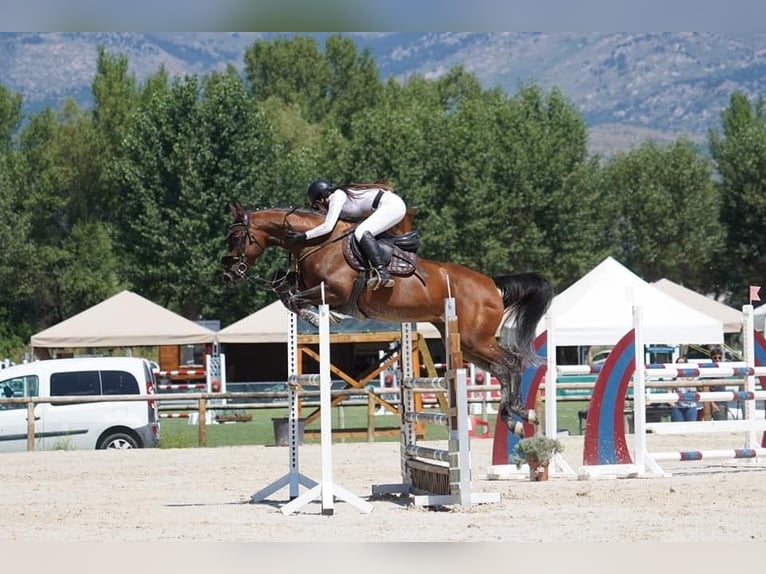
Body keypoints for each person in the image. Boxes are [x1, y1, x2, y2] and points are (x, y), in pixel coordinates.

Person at [286, 179, 408, 290]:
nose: (319, 210)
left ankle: (382, 272)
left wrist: (304, 236)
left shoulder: (336, 196)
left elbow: (328, 227)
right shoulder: (339, 199)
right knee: (359, 231)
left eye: (317, 206)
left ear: (321, 199)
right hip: (388, 206)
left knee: (361, 232)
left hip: (392, 206)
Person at [670, 355, 701, 422]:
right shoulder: (674, 377)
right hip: (678, 406)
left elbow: (699, 388)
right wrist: (672, 403)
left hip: (691, 405)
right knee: (678, 428)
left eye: (682, 363)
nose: (680, 365)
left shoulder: (693, 376)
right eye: (678, 363)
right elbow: (669, 390)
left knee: (691, 428)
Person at [707, 348, 728, 420]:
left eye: (719, 357)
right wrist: (712, 404)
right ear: (711, 358)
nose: (717, 359)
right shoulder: (709, 370)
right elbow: (704, 388)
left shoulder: (722, 370)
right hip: (716, 403)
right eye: (715, 358)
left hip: (724, 402)